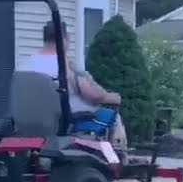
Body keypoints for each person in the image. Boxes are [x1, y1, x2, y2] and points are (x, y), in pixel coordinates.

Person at [18, 19, 129, 153]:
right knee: (113, 117)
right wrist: (115, 98)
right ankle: (117, 163)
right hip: (66, 122)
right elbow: (94, 96)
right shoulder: (63, 66)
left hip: (29, 124)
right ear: (65, 38)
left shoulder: (24, 66)